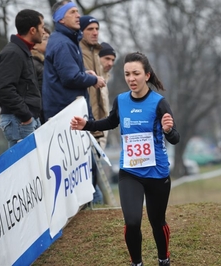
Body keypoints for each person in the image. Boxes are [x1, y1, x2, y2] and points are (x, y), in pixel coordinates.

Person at [70, 52, 179, 266]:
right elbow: (111, 122)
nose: (131, 78)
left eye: (136, 73)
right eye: (127, 74)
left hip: (157, 172)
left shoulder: (159, 103)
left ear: (146, 75)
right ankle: (136, 263)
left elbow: (175, 138)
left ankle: (163, 259)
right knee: (132, 221)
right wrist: (87, 125)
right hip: (130, 172)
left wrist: (168, 130)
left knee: (157, 222)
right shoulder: (121, 100)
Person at [42, 0, 106, 122]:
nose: (78, 16)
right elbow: (71, 78)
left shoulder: (68, 40)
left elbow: (66, 72)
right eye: (72, 12)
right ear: (61, 19)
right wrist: (94, 80)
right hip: (66, 113)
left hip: (69, 112)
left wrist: (85, 73)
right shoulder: (63, 43)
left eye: (77, 11)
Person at [0, 9, 45, 148]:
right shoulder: (13, 53)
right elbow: (5, 90)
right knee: (27, 169)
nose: (44, 32)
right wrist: (26, 116)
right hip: (20, 122)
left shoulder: (21, 51)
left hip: (23, 121)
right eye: (42, 27)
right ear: (33, 30)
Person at [79, 15, 105, 206]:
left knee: (95, 171)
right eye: (90, 29)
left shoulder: (97, 52)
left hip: (98, 120)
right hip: (84, 118)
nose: (95, 32)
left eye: (97, 28)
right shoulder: (78, 50)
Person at [31, 26, 51, 124]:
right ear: (34, 45)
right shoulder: (34, 64)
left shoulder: (45, 63)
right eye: (45, 39)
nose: (50, 42)